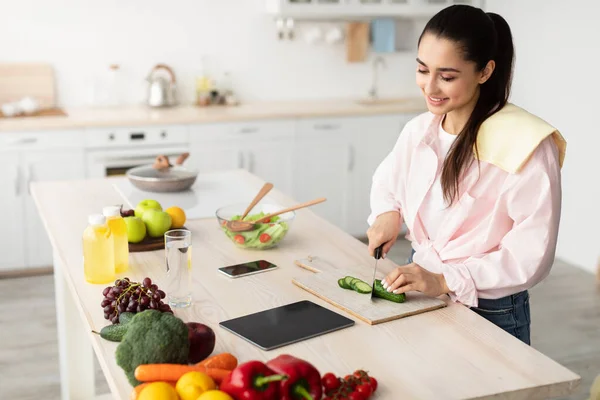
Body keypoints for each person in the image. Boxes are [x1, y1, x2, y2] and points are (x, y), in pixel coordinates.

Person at [366, 4, 566, 345]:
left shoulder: (527, 145)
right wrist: (388, 213)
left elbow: (532, 254)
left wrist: (446, 280)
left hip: (490, 308)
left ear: (485, 71)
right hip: (420, 284)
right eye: (422, 70)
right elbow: (388, 180)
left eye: (447, 76)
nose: (430, 87)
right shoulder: (419, 130)